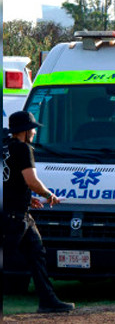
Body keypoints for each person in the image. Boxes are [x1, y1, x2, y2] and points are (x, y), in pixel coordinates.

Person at [2, 112, 75, 313]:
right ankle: (48, 301)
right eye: (32, 128)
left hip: (15, 212)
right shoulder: (24, 149)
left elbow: (9, 180)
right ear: (25, 131)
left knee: (36, 254)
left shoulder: (4, 146)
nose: (34, 132)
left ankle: (48, 301)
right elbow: (31, 181)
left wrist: (27, 197)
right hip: (15, 216)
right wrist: (48, 194)